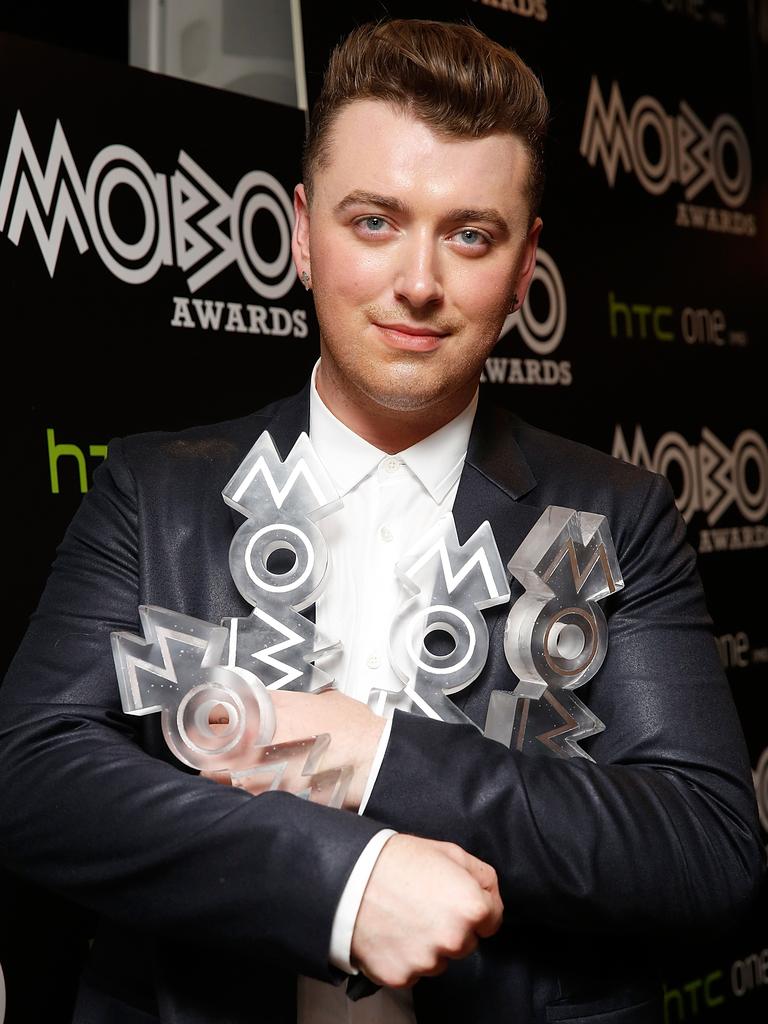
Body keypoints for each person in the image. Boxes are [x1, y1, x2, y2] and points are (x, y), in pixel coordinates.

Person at [0, 18, 762, 1024]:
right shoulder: (154, 489)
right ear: (304, 230)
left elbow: (704, 845)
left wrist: (373, 752)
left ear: (527, 264)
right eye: (374, 222)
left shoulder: (617, 512)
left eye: (470, 234)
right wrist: (346, 881)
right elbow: (31, 772)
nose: (417, 281)